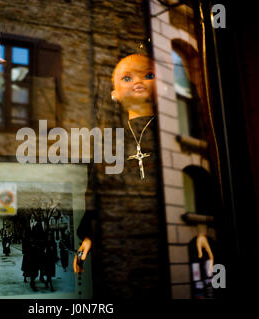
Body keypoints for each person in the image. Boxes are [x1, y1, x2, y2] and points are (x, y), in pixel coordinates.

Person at [73, 54, 157, 273]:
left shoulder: (169, 131)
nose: (138, 82)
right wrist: (89, 237)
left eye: (148, 75)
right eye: (127, 78)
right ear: (115, 93)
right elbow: (96, 192)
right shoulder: (108, 142)